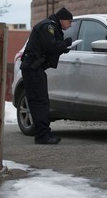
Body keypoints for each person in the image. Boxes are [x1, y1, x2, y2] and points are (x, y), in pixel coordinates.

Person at [20, 7, 73, 144]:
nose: (70, 24)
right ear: (62, 20)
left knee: (41, 101)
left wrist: (63, 48)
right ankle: (42, 135)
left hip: (35, 69)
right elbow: (51, 46)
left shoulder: (50, 25)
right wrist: (64, 44)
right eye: (69, 21)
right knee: (39, 101)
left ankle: (43, 133)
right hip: (33, 69)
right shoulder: (48, 26)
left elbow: (48, 49)